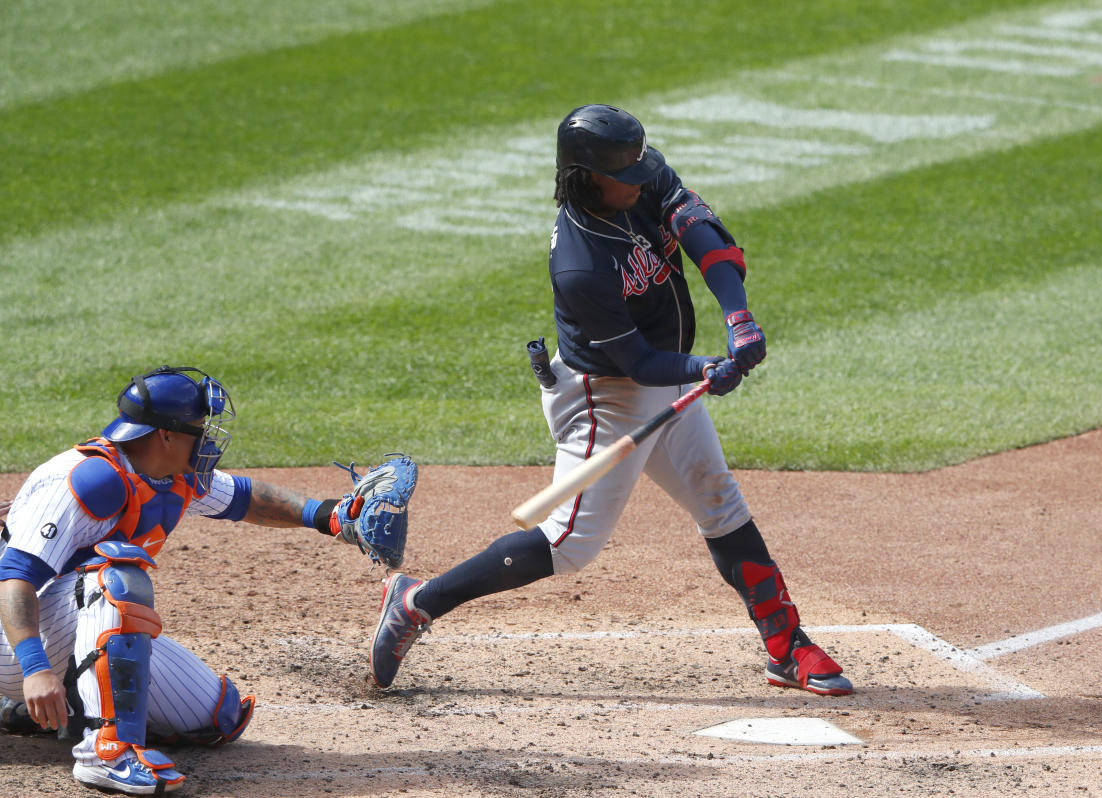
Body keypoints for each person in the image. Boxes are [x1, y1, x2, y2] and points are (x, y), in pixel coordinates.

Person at [369, 104, 853, 698]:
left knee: (721, 504)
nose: (640, 180)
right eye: (624, 173)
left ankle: (788, 647)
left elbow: (707, 237)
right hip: (607, 396)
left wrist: (739, 317)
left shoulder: (639, 175)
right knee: (567, 545)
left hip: (667, 377)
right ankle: (416, 601)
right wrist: (709, 367)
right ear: (586, 176)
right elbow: (639, 365)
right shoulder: (579, 265)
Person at [0, 365, 361, 795]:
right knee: (115, 580)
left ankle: (61, 704)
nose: (208, 437)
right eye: (199, 427)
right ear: (165, 435)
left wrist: (330, 516)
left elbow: (245, 498)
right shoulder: (87, 481)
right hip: (14, 643)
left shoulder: (169, 474)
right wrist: (36, 671)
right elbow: (16, 578)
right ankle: (105, 753)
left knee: (218, 718)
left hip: (56, 629)